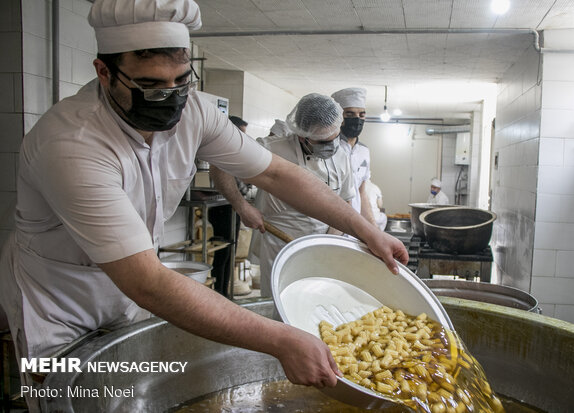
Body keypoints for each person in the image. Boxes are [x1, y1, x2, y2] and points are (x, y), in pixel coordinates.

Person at [0, 1, 408, 410]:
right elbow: (148, 282)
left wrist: (366, 230)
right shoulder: (72, 145)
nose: (170, 99)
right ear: (104, 73)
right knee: (68, 401)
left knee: (129, 397)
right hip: (60, 303)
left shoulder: (194, 110)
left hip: (130, 293)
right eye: (151, 86)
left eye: (181, 82)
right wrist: (280, 339)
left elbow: (275, 175)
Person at [253, 93, 356, 297]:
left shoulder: (342, 157)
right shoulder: (271, 150)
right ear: (302, 135)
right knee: (277, 302)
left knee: (314, 302)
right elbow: (221, 166)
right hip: (279, 245)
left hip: (321, 247)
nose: (331, 147)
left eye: (334, 138)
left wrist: (327, 242)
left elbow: (345, 201)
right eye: (322, 142)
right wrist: (240, 205)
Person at [331, 87, 375, 227]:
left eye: (361, 115)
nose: (357, 119)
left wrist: (373, 227)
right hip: (329, 223)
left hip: (354, 226)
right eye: (350, 114)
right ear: (339, 116)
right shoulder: (327, 148)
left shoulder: (364, 151)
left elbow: (361, 192)